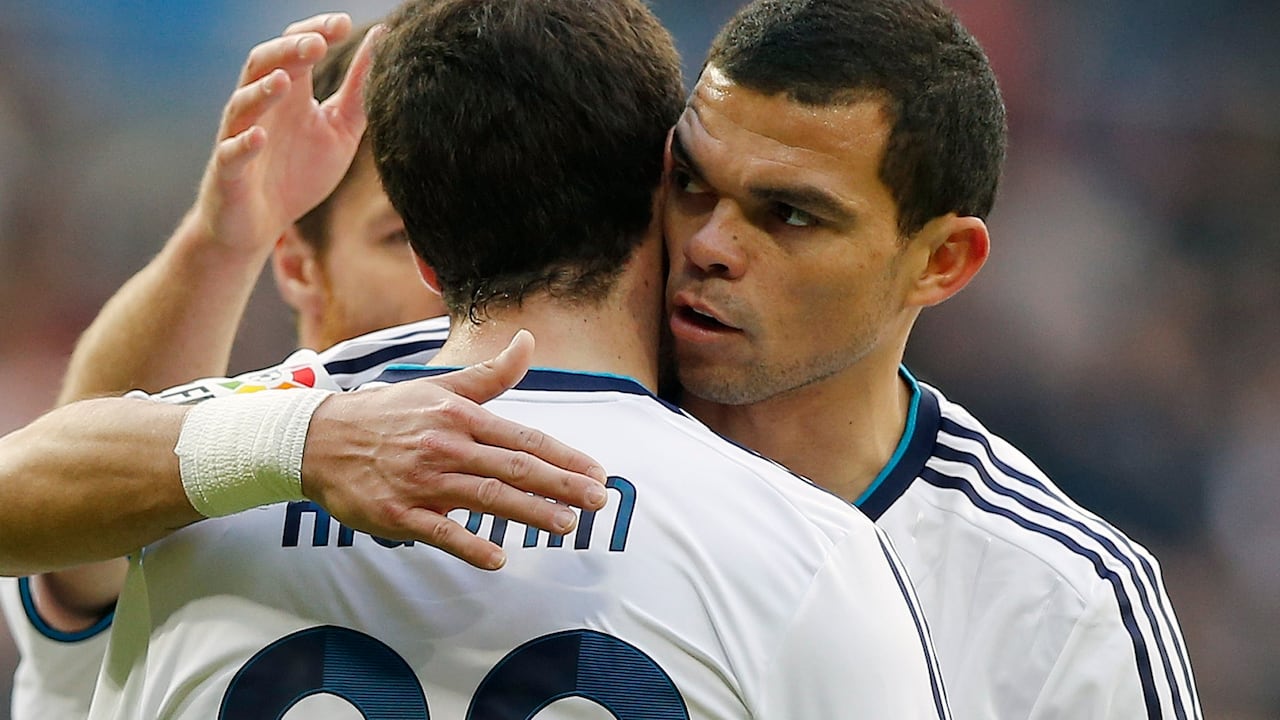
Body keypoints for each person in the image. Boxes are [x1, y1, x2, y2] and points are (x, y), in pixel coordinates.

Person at [78, 0, 948, 716]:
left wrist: (279, 448)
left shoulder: (192, 487)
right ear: (658, 190)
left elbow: (58, 468)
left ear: (426, 251)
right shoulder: (808, 556)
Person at [662, 1, 1200, 718]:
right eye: (690, 184)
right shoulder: (502, 445)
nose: (708, 246)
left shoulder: (1067, 612)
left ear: (941, 262)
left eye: (791, 214)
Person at [0, 15, 459, 720]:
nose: (455, 276)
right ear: (302, 266)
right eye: (403, 237)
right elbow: (38, 501)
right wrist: (222, 243)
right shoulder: (221, 462)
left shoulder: (609, 466)